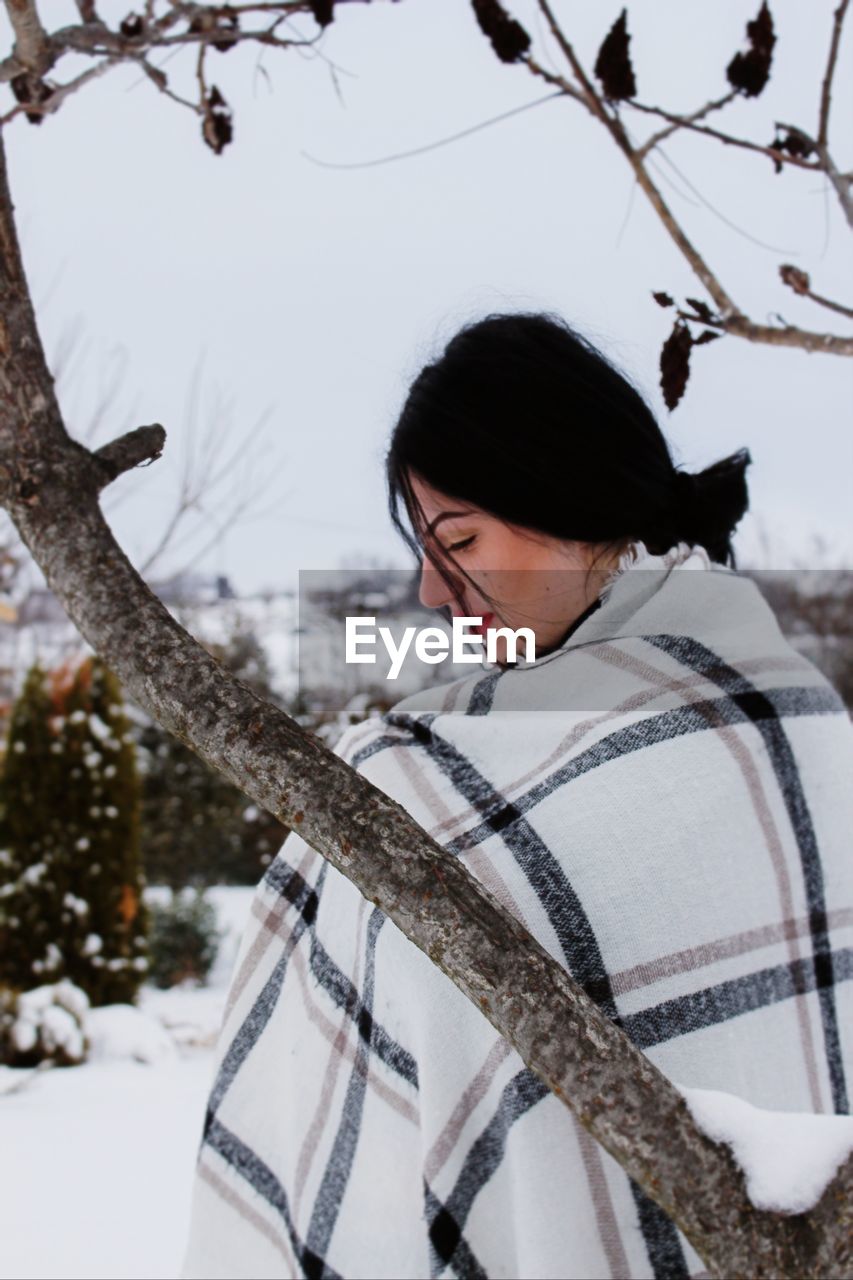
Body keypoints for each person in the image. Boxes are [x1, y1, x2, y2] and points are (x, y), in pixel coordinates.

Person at [182, 313, 853, 1280]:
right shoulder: (812, 717)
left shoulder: (415, 791)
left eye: (458, 538)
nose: (428, 588)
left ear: (571, 496)